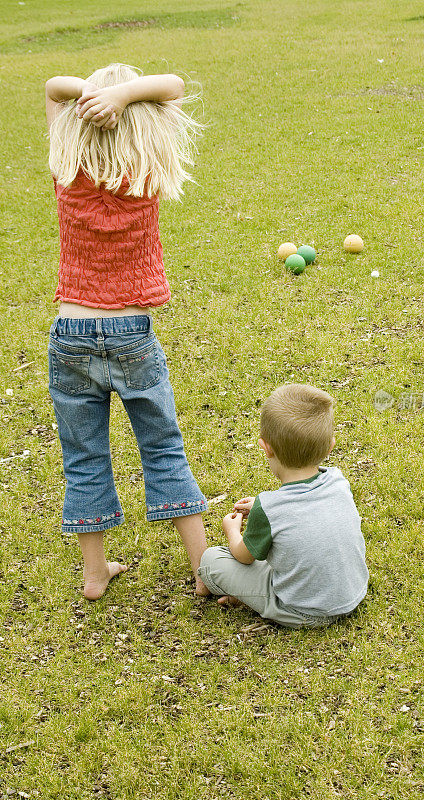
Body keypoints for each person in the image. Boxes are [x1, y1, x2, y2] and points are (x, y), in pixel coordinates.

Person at [45, 63, 209, 600]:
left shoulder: (66, 172)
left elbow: (54, 88)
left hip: (70, 332)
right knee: (163, 447)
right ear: (147, 126)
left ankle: (95, 576)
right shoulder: (147, 174)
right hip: (132, 334)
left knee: (84, 457)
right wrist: (124, 95)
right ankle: (203, 570)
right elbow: (175, 85)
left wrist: (93, 95)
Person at [198, 384, 369, 628]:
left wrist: (231, 530)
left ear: (265, 447)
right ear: (330, 446)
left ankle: (252, 599)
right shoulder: (338, 481)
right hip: (352, 594)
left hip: (303, 611)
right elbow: (307, 512)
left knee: (211, 559)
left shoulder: (269, 508)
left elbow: (243, 557)